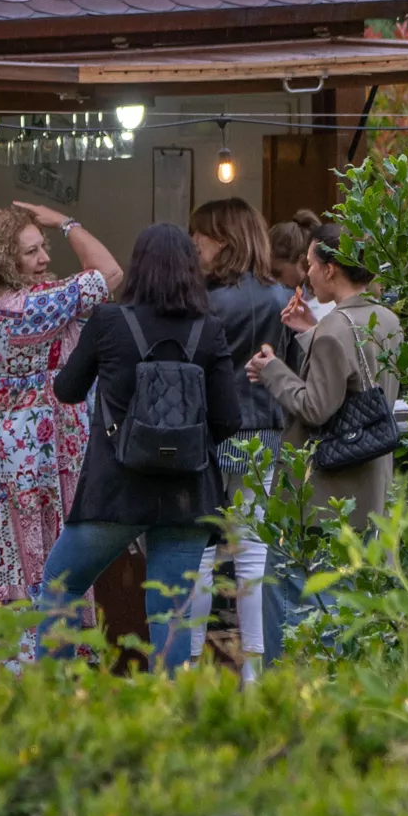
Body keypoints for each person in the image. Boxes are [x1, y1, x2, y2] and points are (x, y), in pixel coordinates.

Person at [35, 223, 243, 669]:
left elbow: (68, 390)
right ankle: (165, 721)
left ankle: (50, 701)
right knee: (169, 612)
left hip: (115, 489)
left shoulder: (109, 321)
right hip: (188, 493)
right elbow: (230, 420)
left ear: (138, 267)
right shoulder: (209, 330)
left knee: (61, 582)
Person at [0, 202, 124, 614]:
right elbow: (110, 272)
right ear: (6, 261)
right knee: (42, 558)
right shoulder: (32, 308)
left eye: (44, 247)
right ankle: (37, 654)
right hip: (33, 461)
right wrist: (64, 221)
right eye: (31, 252)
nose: (43, 259)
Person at [183, 198, 290, 680]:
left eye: (199, 237)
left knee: (199, 547)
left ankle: (186, 663)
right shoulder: (278, 297)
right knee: (252, 549)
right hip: (264, 429)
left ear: (222, 240)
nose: (194, 245)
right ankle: (254, 672)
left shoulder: (203, 301)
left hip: (214, 432)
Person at [250, 220, 404, 529]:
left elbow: (315, 408)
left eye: (310, 264)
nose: (307, 274)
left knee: (296, 577)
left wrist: (272, 370)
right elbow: (357, 376)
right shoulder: (387, 319)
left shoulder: (335, 327)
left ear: (330, 269)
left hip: (331, 493)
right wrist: (312, 331)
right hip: (372, 481)